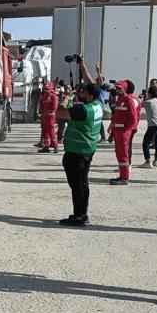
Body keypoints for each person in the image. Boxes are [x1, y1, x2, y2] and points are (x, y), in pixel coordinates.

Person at [59, 82, 103, 227]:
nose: (80, 93)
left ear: (90, 95)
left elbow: (60, 112)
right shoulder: (98, 105)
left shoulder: (84, 109)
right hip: (87, 149)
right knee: (82, 184)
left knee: (78, 185)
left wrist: (68, 97)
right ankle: (81, 213)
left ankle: (80, 216)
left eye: (83, 92)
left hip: (77, 152)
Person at [110, 80, 140, 185]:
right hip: (117, 131)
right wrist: (111, 127)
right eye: (117, 88)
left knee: (123, 154)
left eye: (119, 88)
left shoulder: (129, 100)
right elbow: (116, 115)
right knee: (119, 153)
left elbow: (133, 119)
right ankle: (121, 175)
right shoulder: (120, 100)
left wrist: (126, 130)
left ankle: (125, 178)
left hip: (123, 132)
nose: (117, 90)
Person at [139, 87, 157, 169]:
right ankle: (156, 160)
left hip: (153, 126)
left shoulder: (148, 102)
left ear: (149, 93)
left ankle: (148, 161)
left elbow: (138, 105)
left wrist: (140, 97)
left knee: (146, 143)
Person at [38, 80, 59, 153]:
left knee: (51, 131)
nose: (46, 91)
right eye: (45, 89)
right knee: (45, 132)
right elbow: (41, 106)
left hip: (50, 117)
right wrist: (41, 112)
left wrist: (48, 112)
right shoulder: (43, 96)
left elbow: (54, 107)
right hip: (44, 116)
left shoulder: (54, 96)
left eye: (47, 89)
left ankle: (55, 146)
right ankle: (46, 146)